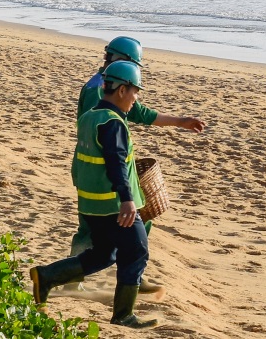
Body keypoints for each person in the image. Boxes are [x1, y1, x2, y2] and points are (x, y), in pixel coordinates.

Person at [30, 61, 158, 329]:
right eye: (135, 92)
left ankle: (47, 276)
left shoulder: (89, 117)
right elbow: (116, 165)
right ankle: (124, 315)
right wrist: (127, 200)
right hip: (113, 206)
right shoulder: (113, 123)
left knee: (103, 255)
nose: (136, 99)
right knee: (136, 251)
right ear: (122, 90)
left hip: (91, 205)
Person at [70, 37, 206, 283]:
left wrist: (180, 122)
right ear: (123, 60)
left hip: (103, 172)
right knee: (93, 229)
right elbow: (103, 142)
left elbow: (140, 113)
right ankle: (72, 279)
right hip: (97, 173)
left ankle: (132, 274)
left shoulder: (113, 85)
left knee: (133, 223)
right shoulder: (99, 91)